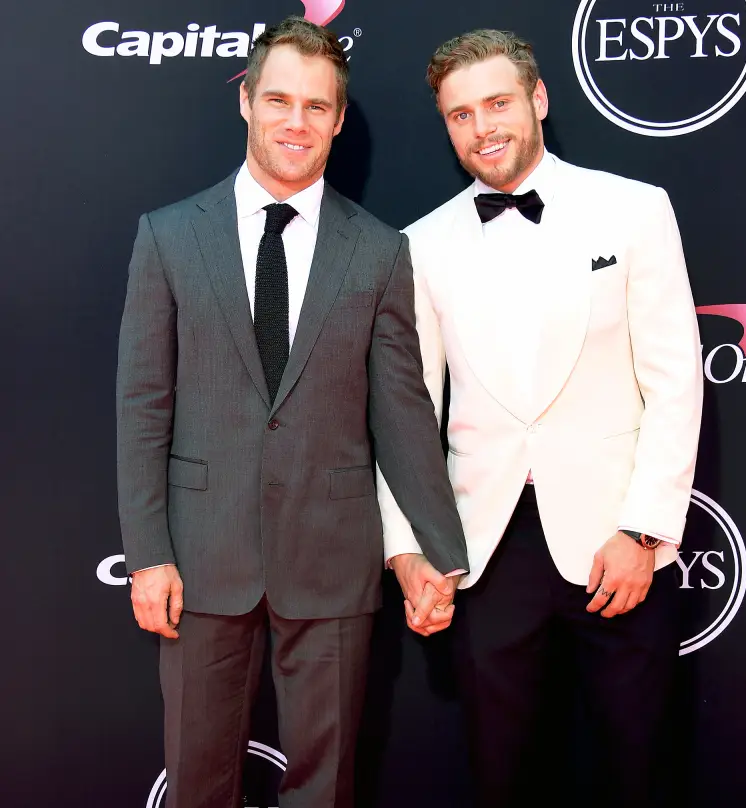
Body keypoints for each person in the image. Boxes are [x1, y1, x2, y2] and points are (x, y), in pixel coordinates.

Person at [116, 16, 468, 808]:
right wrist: (147, 553)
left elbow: (404, 412)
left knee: (324, 788)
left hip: (334, 559)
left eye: (316, 106)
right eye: (279, 100)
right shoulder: (169, 237)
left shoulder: (379, 251)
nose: (295, 122)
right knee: (198, 782)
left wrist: (439, 554)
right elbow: (142, 407)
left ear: (339, 119)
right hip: (200, 559)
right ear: (246, 101)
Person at [377, 28, 703, 807]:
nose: (482, 127)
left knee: (638, 771)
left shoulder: (633, 210)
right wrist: (406, 552)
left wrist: (646, 531)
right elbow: (406, 412)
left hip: (616, 547)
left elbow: (675, 381)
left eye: (496, 103)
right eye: (460, 114)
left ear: (538, 99)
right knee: (505, 779)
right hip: (487, 556)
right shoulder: (420, 245)